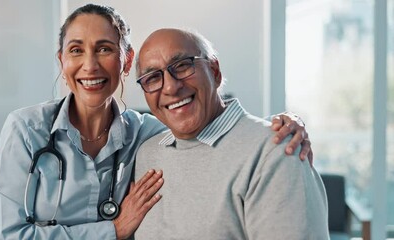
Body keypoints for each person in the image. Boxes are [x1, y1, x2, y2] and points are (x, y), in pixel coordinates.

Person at [0, 4, 313, 240]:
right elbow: (9, 236)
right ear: (62, 60)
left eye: (104, 49)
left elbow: (210, 124)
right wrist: (112, 230)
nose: (89, 65)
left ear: (125, 61)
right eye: (76, 50)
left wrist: (283, 124)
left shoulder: (147, 134)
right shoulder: (26, 131)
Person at [134, 28, 329, 239]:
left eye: (182, 66)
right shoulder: (146, 153)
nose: (171, 87)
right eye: (153, 78)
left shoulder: (277, 151)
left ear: (215, 71)